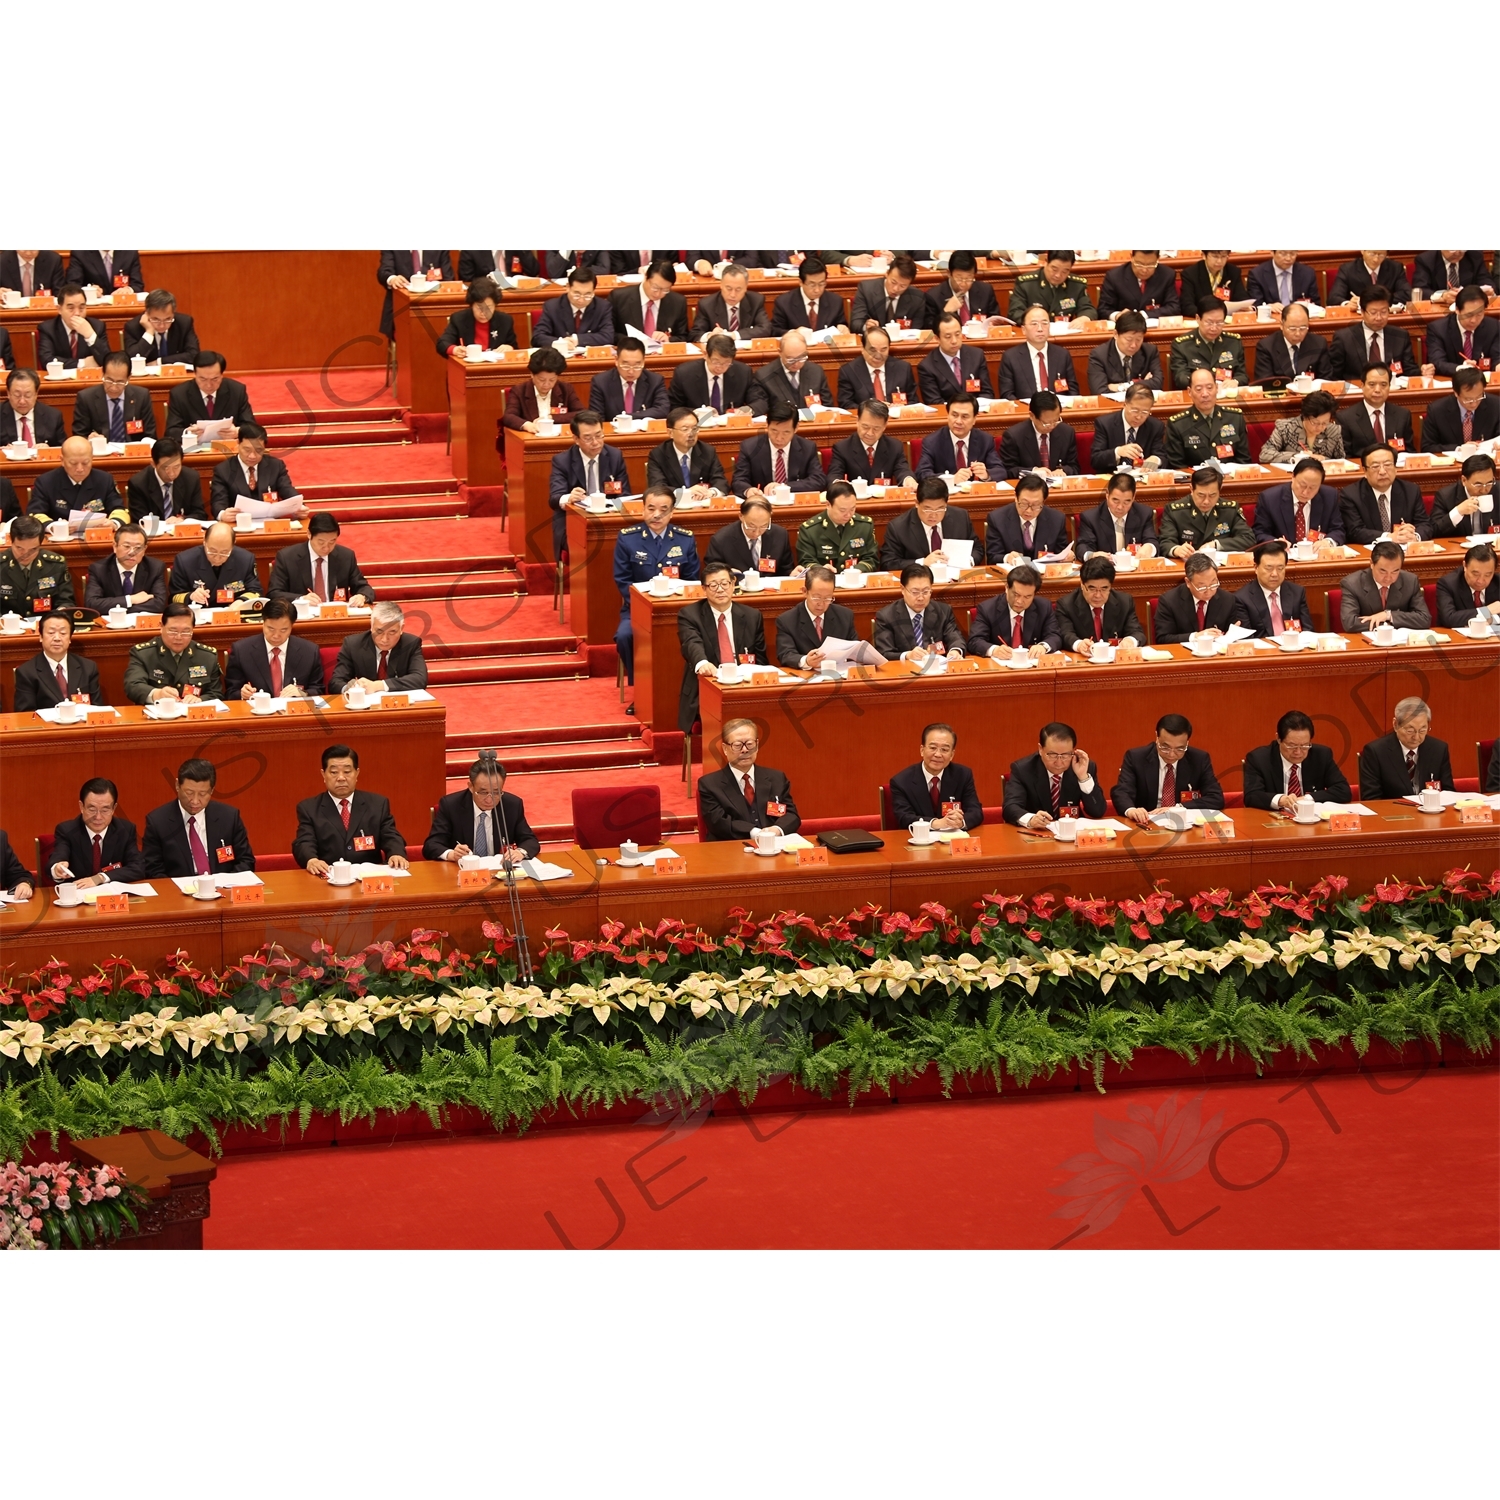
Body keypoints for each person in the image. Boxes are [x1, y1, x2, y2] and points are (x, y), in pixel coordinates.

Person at [613, 484, 700, 695]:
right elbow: (623, 580)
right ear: (643, 509)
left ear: (672, 513)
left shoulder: (685, 539)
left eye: (663, 509)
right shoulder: (628, 538)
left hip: (678, 609)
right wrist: (645, 605)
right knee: (624, 636)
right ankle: (641, 691)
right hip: (638, 609)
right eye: (651, 508)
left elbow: (692, 579)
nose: (656, 515)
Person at [676, 561, 770, 731]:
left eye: (724, 583)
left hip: (744, 689)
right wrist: (702, 663)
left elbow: (760, 660)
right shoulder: (690, 615)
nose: (720, 589)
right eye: (713, 585)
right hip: (707, 689)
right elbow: (691, 643)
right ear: (704, 589)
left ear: (733, 584)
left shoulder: (751, 616)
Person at [294, 744, 409, 875]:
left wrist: (396, 853)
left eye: (347, 772)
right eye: (333, 772)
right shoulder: (309, 808)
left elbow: (391, 836)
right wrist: (311, 859)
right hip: (329, 878)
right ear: (323, 774)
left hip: (369, 879)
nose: (341, 778)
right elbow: (304, 841)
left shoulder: (377, 804)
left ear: (357, 773)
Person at [142, 758, 255, 878]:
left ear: (211, 790)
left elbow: (246, 861)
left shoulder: (229, 817)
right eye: (189, 793)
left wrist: (224, 885)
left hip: (222, 890)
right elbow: (153, 870)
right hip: (180, 892)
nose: (195, 801)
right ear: (177, 785)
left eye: (202, 794)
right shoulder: (158, 822)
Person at [696, 718, 801, 843]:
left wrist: (776, 830)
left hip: (775, 848)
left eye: (749, 744)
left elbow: (791, 815)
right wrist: (755, 833)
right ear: (725, 748)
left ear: (756, 745)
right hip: (730, 851)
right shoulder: (710, 784)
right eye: (737, 745)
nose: (745, 750)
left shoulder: (777, 778)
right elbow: (718, 822)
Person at [1112, 715, 1225, 825]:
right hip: (1146, 824)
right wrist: (1131, 810)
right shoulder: (1136, 758)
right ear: (1157, 737)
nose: (1171, 754)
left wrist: (1177, 808)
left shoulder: (1199, 759)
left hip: (1183, 825)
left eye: (1179, 749)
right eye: (1165, 747)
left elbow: (1215, 797)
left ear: (1187, 742)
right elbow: (1122, 792)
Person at [424, 756, 540, 863]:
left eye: (496, 792)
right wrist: (451, 854)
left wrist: (520, 852)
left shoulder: (512, 805)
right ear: (470, 786)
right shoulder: (451, 805)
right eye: (483, 792)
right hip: (462, 873)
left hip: (499, 873)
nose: (490, 799)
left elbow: (530, 840)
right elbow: (431, 845)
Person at [549, 409, 628, 558]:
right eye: (588, 438)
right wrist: (568, 498)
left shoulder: (615, 456)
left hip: (609, 519)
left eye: (599, 435)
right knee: (586, 545)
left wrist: (612, 509)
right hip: (574, 522)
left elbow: (624, 495)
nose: (596, 442)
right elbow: (554, 498)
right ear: (576, 439)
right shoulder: (562, 461)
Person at [1243, 711, 1352, 812]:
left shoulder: (1321, 755)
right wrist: (1281, 800)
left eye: (1305, 745)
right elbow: (1252, 796)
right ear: (1278, 739)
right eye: (1292, 746)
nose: (1298, 752)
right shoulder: (1259, 758)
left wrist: (1306, 799)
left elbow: (1343, 790)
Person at [1003, 722, 1106, 827]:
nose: (1059, 762)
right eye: (1052, 755)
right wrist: (1030, 819)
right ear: (1040, 749)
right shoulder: (1023, 769)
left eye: (1065, 755)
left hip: (1072, 836)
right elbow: (1010, 807)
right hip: (1036, 835)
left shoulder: (1083, 766)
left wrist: (1083, 778)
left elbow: (1097, 811)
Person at [49, 778, 144, 887]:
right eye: (92, 809)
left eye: (105, 810)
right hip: (79, 897)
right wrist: (57, 868)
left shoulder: (125, 830)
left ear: (114, 809)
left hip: (111, 898)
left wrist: (101, 877)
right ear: (81, 807)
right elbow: (58, 857)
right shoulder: (67, 831)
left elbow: (138, 867)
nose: (98, 817)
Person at [891, 723, 984, 832]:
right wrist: (936, 823)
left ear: (952, 755)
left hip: (952, 839)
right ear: (922, 750)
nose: (938, 754)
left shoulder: (963, 775)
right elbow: (904, 817)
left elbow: (976, 811)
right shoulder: (901, 781)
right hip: (920, 841)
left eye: (944, 750)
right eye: (933, 748)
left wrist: (960, 822)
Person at [122, 603, 224, 702]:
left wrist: (200, 700)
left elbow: (216, 693)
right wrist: (156, 694)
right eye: (173, 631)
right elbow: (132, 686)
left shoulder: (207, 656)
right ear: (161, 627)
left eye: (185, 631)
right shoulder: (143, 654)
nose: (178, 637)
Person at [224, 598, 324, 699]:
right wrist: (242, 694)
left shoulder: (309, 651)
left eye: (283, 630)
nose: (276, 635)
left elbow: (318, 689)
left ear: (292, 626)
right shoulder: (241, 650)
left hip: (292, 711)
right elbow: (230, 692)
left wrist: (302, 694)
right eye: (271, 629)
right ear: (263, 623)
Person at [267, 512, 373, 605]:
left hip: (335, 616)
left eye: (332, 542)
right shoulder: (287, 557)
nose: (326, 547)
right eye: (321, 542)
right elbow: (274, 593)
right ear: (309, 534)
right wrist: (301, 599)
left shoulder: (345, 556)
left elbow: (365, 588)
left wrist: (361, 596)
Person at [1358, 697, 1453, 800]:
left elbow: (1448, 793)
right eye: (1410, 730)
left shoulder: (1438, 749)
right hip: (1394, 814)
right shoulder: (1375, 752)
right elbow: (1371, 799)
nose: (1416, 737)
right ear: (1395, 724)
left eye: (1422, 730)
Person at [328, 601, 428, 693]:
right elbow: (335, 682)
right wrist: (350, 689)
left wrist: (378, 685)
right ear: (371, 627)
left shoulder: (411, 644)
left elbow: (420, 679)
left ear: (401, 628)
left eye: (392, 632)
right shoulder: (353, 644)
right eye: (379, 631)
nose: (384, 639)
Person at [1339, 444, 1431, 544]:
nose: (1382, 471)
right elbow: (1355, 531)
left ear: (1396, 468)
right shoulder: (1351, 495)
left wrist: (1414, 536)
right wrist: (1389, 537)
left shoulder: (1411, 491)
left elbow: (1425, 524)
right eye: (1375, 467)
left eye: (1387, 465)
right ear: (1365, 471)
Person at [13, 610, 104, 709]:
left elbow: (97, 709)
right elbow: (25, 714)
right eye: (51, 632)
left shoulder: (88, 668)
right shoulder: (27, 672)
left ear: (70, 638)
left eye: (63, 633)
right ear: (41, 637)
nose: (57, 638)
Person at [208, 423, 304, 518]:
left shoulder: (275, 466)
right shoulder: (223, 470)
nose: (252, 456)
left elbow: (287, 490)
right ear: (238, 443)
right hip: (238, 525)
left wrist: (299, 507)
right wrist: (223, 514)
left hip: (268, 523)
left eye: (258, 450)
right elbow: (218, 502)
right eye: (247, 450)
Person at [880, 477, 977, 569]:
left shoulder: (960, 517)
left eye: (940, 509)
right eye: (928, 509)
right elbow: (888, 563)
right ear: (917, 503)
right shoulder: (898, 527)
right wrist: (923, 562)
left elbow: (977, 549)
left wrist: (967, 561)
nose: (933, 515)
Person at [730, 401, 824, 496]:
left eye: (786, 432)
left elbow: (818, 480)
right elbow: (738, 481)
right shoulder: (750, 447)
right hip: (762, 505)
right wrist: (748, 490)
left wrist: (784, 487)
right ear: (767, 425)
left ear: (796, 428)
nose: (779, 438)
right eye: (774, 431)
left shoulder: (807, 447)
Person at [967, 563, 1060, 659]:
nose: (1020, 601)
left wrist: (1043, 646)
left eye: (1027, 597)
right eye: (1016, 594)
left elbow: (1055, 636)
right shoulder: (987, 609)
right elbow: (975, 640)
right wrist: (994, 650)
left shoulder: (1044, 607)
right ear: (1006, 588)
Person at [1158, 467, 1256, 557]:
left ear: (1220, 490)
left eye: (1212, 495)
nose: (1206, 501)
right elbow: (1165, 542)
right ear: (1191, 489)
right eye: (1201, 495)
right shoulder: (1175, 511)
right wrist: (1177, 549)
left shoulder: (1229, 509)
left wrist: (1216, 545)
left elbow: (1248, 538)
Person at [1163, 367, 1250, 468]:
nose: (1205, 394)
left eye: (1209, 388)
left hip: (1230, 480)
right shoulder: (1178, 424)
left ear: (1217, 388)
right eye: (1199, 389)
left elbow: (1244, 460)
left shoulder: (1235, 418)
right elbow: (1177, 467)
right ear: (1190, 392)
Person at [1054, 555, 1143, 651]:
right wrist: (1079, 644)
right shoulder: (1066, 605)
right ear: (1082, 585)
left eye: (1104, 589)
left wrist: (1130, 640)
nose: (1098, 595)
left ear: (1110, 586)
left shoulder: (1125, 602)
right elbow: (1066, 634)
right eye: (1092, 589)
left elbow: (1137, 633)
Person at [27, 436, 126, 523]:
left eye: (85, 463)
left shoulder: (104, 480)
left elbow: (119, 509)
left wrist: (113, 523)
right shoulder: (46, 482)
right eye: (73, 463)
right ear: (62, 460)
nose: (80, 469)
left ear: (92, 459)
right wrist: (54, 526)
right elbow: (36, 514)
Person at [1340, 541, 1433, 631]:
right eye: (1383, 571)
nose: (1388, 578)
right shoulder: (1352, 584)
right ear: (1371, 564)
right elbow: (1350, 623)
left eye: (1395, 571)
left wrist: (1388, 615)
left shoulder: (1410, 581)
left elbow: (1424, 618)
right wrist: (1387, 624)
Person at [1329, 285, 1417, 381]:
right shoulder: (1344, 339)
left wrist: (1424, 371)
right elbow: (1334, 376)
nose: (1379, 318)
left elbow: (1410, 371)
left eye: (1384, 312)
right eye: (1373, 312)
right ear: (1362, 311)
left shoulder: (1401, 336)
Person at [1253, 457, 1347, 546]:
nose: (1306, 492)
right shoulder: (1270, 498)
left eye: (1312, 487)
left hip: (1316, 557)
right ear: (1293, 476)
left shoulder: (1329, 496)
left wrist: (1328, 542)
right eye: (1302, 485)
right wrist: (1275, 543)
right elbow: (1260, 532)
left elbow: (1338, 529)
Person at [164, 351, 255, 441]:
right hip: (194, 451)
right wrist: (188, 433)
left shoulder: (236, 391)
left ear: (222, 375)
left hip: (228, 449)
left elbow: (252, 427)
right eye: (202, 379)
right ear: (195, 374)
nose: (209, 385)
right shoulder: (179, 394)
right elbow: (171, 432)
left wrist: (237, 432)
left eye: (215, 379)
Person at [773, 566, 853, 669]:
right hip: (805, 678)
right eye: (816, 597)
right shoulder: (787, 621)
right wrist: (806, 661)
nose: (821, 604)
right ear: (804, 591)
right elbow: (785, 654)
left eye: (827, 598)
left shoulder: (845, 616)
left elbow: (854, 650)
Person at [1230, 540, 1313, 636]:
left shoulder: (1297, 592)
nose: (1275, 574)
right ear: (1256, 568)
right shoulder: (1242, 599)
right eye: (1269, 568)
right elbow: (1248, 639)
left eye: (1280, 568)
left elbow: (1308, 631)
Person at [827, 399, 917, 488]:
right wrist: (837, 483)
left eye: (876, 428)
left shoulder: (894, 446)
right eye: (865, 427)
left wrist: (908, 479)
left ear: (884, 426)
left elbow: (903, 470)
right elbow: (834, 475)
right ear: (857, 421)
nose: (870, 433)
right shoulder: (842, 448)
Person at [999, 304, 1080, 399]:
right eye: (1034, 324)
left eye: (1045, 323)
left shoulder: (1062, 354)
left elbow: (1073, 390)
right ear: (1024, 330)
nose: (1040, 329)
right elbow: (1007, 394)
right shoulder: (1011, 357)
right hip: (1027, 411)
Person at [169, 521, 260, 605]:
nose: (217, 558)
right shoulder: (185, 561)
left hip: (232, 613)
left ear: (233, 545)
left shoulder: (245, 560)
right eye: (212, 551)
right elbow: (174, 597)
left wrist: (241, 601)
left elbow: (256, 591)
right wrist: (191, 596)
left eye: (224, 552)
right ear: (204, 541)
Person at [914, 392, 999, 481]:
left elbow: (1000, 470)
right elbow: (922, 473)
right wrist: (951, 479)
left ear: (974, 419)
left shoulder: (985, 440)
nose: (958, 421)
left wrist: (986, 474)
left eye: (964, 417)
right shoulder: (932, 441)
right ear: (948, 415)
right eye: (954, 415)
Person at [795, 481, 878, 572]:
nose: (848, 515)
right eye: (842, 510)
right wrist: (821, 570)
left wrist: (856, 571)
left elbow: (872, 558)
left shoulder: (864, 526)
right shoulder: (810, 530)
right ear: (828, 505)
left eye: (852, 509)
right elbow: (806, 561)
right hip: (824, 582)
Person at [1336, 363, 1415, 459]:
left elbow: (1409, 453)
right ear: (1362, 385)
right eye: (1372, 384)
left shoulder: (1402, 415)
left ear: (1389, 386)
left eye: (1383, 385)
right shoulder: (1346, 418)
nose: (1377, 390)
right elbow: (1345, 456)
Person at [72, 351, 156, 441]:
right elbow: (79, 436)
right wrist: (90, 439)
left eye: (120, 382)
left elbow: (150, 435)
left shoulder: (141, 396)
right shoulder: (86, 398)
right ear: (103, 374)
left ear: (128, 378)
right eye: (109, 381)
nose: (114, 387)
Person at [84, 522, 166, 613]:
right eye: (126, 546)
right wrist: (130, 600)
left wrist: (119, 607)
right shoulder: (99, 569)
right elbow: (92, 604)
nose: (132, 553)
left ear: (144, 550)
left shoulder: (155, 567)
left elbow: (159, 604)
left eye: (138, 548)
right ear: (115, 546)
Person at [1152, 553, 1235, 644]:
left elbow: (1233, 632)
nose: (1209, 591)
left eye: (1213, 584)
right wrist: (1196, 636)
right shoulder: (1169, 601)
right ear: (1188, 582)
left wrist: (1234, 632)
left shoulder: (1227, 599)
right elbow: (1163, 638)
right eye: (1202, 587)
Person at [705, 496, 796, 577]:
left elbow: (786, 569)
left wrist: (792, 574)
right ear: (741, 516)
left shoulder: (780, 535)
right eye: (751, 526)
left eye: (764, 526)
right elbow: (711, 574)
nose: (756, 533)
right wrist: (726, 574)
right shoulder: (721, 540)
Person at [985, 473, 1067, 563]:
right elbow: (992, 556)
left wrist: (1067, 557)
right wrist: (1007, 558)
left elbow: (1061, 553)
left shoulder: (1057, 519)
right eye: (1024, 504)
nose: (1029, 511)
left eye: (1035, 505)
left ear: (1043, 502)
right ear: (1016, 497)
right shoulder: (997, 518)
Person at [667, 334, 758, 414]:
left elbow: (758, 401)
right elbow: (674, 407)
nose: (720, 367)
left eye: (727, 363)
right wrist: (696, 413)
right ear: (705, 355)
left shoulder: (743, 372)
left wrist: (747, 410)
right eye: (716, 361)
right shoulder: (684, 373)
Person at [0, 515, 74, 613]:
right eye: (19, 548)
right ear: (10, 540)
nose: (25, 555)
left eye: (33, 549)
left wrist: (59, 614)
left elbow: (66, 601)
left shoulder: (56, 565)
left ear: (41, 543)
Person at [646, 407, 728, 494]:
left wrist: (711, 492)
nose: (691, 434)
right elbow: (657, 487)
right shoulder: (658, 454)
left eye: (694, 429)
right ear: (670, 433)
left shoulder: (707, 451)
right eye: (685, 429)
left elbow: (721, 482)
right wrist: (686, 492)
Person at [997, 391, 1079, 478]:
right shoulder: (1014, 436)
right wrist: (1033, 471)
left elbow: (1074, 467)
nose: (1051, 426)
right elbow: (1008, 470)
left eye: (1056, 420)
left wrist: (1064, 470)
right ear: (1032, 416)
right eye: (1046, 423)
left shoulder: (1066, 432)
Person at [1169, 300, 1248, 388]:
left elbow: (1243, 376)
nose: (1214, 328)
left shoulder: (1233, 342)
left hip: (1227, 394)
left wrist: (1235, 381)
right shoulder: (1182, 345)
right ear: (1198, 319)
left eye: (1219, 323)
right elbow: (1180, 378)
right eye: (1209, 322)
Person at [918, 312, 994, 403]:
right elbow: (934, 402)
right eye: (948, 336)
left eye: (957, 334)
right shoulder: (927, 367)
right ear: (937, 338)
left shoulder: (976, 356)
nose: (954, 341)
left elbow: (987, 393)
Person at [1424, 286, 1500, 377]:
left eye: (1479, 315)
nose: (1474, 320)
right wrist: (1460, 368)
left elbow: (1497, 357)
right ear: (1457, 310)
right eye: (1469, 315)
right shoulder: (1438, 329)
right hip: (1451, 382)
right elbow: (1437, 362)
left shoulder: (1493, 326)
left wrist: (1498, 365)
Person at [587, 338, 670, 421]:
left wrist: (628, 417)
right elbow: (596, 417)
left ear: (643, 362)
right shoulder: (600, 382)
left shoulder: (655, 380)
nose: (631, 371)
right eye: (626, 365)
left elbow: (663, 409)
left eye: (637, 366)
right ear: (616, 360)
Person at [1076, 472, 1157, 557]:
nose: (1120, 507)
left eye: (1127, 501)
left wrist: (1150, 547)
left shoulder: (1144, 514)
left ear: (1133, 498)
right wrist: (1092, 555)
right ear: (1107, 494)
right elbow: (1083, 547)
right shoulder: (1091, 518)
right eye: (1115, 500)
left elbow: (1152, 540)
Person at [1090, 382, 1166, 472]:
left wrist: (1156, 460)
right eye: (1135, 410)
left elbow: (1163, 457)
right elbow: (1095, 459)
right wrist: (1118, 452)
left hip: (1143, 478)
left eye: (1145, 412)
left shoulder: (1155, 426)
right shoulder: (1105, 424)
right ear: (1125, 404)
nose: (1139, 417)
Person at [531, 267, 614, 349]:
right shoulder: (552, 307)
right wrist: (559, 343)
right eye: (576, 294)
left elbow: (608, 336)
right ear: (568, 287)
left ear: (594, 291)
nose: (581, 300)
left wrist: (577, 340)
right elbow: (538, 337)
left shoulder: (603, 307)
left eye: (587, 295)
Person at [501, 347, 580, 433]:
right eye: (542, 380)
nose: (546, 384)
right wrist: (527, 425)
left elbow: (580, 414)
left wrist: (551, 418)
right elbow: (508, 416)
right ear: (532, 375)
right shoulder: (519, 391)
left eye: (552, 380)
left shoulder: (566, 389)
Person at [436, 277, 517, 359]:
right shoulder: (459, 319)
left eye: (488, 308)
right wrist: (455, 349)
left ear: (495, 305)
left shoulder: (505, 321)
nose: (483, 313)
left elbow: (515, 348)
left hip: (496, 368)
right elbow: (442, 344)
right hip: (468, 368)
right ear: (472, 305)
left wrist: (510, 348)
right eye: (479, 308)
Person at [126, 437, 206, 522]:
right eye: (165, 468)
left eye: (176, 467)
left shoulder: (191, 478)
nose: (171, 473)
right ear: (153, 464)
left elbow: (200, 514)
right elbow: (139, 520)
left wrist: (183, 519)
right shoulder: (138, 484)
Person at [377, 251, 452, 339]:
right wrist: (392, 279)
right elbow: (384, 271)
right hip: (401, 311)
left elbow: (448, 279)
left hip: (434, 310)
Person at [609, 260, 689, 343]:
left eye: (665, 290)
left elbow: (683, 336)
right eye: (655, 287)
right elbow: (610, 333)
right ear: (646, 277)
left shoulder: (678, 302)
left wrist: (668, 339)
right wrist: (631, 341)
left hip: (661, 353)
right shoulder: (619, 298)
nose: (658, 294)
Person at [836, 325, 917, 407]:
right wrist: (871, 409)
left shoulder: (903, 368)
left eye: (883, 349)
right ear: (862, 349)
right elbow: (845, 404)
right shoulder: (849, 371)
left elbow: (913, 401)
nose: (878, 355)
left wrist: (902, 408)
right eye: (872, 350)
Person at [1422, 367, 1500, 451]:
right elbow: (1427, 447)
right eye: (1468, 399)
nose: (1474, 403)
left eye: (1479, 397)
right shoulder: (1437, 410)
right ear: (1456, 393)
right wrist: (1459, 448)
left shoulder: (1496, 405)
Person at [1259, 391, 1346, 466]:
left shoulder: (1333, 431)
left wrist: (1324, 460)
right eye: (1315, 423)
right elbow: (1264, 455)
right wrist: (1297, 457)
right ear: (1304, 416)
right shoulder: (1285, 427)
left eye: (1325, 423)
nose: (1320, 427)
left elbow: (1342, 461)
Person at [1008, 251, 1095, 325]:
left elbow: (1088, 309)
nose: (1058, 275)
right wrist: (1035, 322)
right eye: (1054, 269)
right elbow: (1015, 312)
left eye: (1065, 271)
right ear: (1045, 262)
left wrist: (1084, 318)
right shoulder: (1026, 284)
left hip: (1065, 335)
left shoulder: (1076, 285)